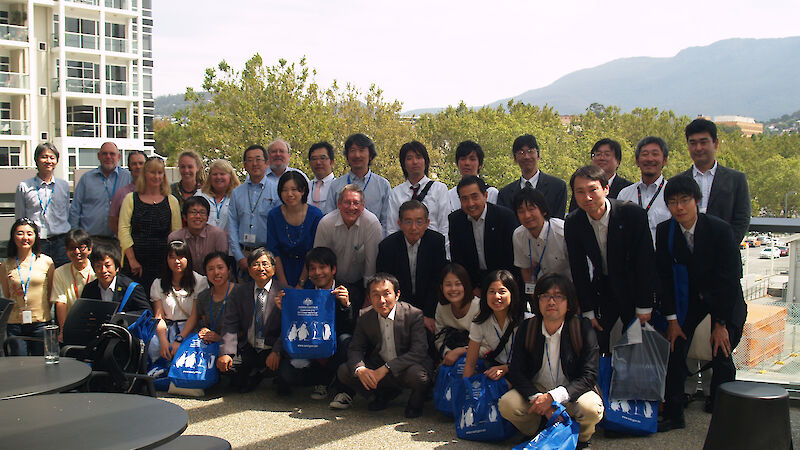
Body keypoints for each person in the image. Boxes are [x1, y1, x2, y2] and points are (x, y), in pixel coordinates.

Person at [656, 176, 747, 432]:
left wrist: (720, 323)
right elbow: (664, 278)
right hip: (688, 300)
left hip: (724, 299)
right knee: (674, 346)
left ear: (697, 201)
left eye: (685, 200)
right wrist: (672, 320)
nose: (679, 207)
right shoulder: (666, 231)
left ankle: (723, 409)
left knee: (722, 348)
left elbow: (729, 279)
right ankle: (674, 414)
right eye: (672, 202)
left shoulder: (719, 229)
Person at [500, 274, 603, 449]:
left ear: (569, 303)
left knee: (591, 408)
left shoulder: (582, 328)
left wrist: (553, 397)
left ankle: (581, 438)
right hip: (537, 392)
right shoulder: (527, 327)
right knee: (507, 404)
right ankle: (535, 432)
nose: (551, 302)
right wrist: (539, 399)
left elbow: (589, 375)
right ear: (537, 301)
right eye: (545, 296)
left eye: (559, 296)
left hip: (571, 392)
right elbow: (516, 371)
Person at [564, 165, 656, 354]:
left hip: (634, 286)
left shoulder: (632, 214)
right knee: (598, 342)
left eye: (592, 190)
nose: (587, 197)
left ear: (605, 189)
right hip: (603, 288)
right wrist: (588, 310)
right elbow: (578, 268)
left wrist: (644, 305)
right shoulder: (574, 222)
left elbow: (645, 262)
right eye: (580, 192)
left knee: (637, 346)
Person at [333, 273, 433, 418]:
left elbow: (419, 351)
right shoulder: (364, 316)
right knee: (344, 371)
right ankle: (379, 395)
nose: (382, 300)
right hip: (378, 366)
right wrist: (361, 369)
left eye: (387, 294)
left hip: (405, 367)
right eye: (376, 295)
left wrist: (387, 368)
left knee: (419, 376)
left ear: (397, 295)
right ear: (369, 297)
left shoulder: (413, 314)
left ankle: (415, 403)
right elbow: (356, 348)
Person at [275, 247, 358, 399]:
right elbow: (294, 329)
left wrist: (346, 306)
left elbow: (353, 329)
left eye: (322, 267)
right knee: (287, 375)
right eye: (312, 269)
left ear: (333, 269)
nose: (317, 272)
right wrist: (285, 310)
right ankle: (323, 380)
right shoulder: (303, 294)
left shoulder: (348, 290)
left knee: (346, 339)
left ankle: (342, 388)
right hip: (311, 351)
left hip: (336, 350)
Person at [217, 248, 287, 393]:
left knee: (286, 379)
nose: (261, 268)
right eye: (255, 264)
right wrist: (226, 352)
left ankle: (266, 374)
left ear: (274, 269)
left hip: (273, 348)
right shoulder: (239, 292)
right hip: (249, 347)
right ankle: (255, 374)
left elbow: (290, 327)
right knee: (228, 371)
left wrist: (277, 351)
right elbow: (230, 323)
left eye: (265, 264)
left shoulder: (285, 292)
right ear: (249, 270)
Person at [377, 200, 447, 333]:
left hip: (429, 306)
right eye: (408, 222)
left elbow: (437, 281)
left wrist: (427, 314)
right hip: (398, 307)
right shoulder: (387, 246)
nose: (413, 227)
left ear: (427, 223)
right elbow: (386, 284)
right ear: (400, 224)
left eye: (419, 222)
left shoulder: (436, 242)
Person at [680, 118, 751, 244]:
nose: (698, 148)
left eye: (703, 142)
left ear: (715, 143)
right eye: (693, 143)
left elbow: (742, 219)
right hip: (688, 257)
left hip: (725, 255)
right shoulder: (679, 181)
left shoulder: (736, 180)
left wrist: (727, 247)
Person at [118, 157, 182, 293]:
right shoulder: (130, 199)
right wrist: (132, 260)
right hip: (135, 265)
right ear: (145, 174)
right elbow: (123, 230)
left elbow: (176, 234)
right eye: (152, 172)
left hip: (162, 265)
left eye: (160, 173)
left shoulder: (172, 201)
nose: (156, 176)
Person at [449, 176, 517, 296]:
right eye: (464, 199)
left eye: (475, 197)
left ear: (485, 196)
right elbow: (458, 259)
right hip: (472, 284)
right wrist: (472, 287)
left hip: (504, 282)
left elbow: (511, 258)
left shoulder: (505, 217)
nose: (470, 203)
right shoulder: (455, 220)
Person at [314, 184, 382, 293]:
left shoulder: (372, 223)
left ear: (363, 205)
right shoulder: (326, 223)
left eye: (356, 203)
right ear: (339, 204)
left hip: (360, 282)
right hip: (331, 282)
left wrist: (369, 296)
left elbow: (372, 264)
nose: (351, 207)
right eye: (347, 202)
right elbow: (318, 260)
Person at [0, 219, 54, 355]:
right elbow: (7, 294)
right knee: (20, 366)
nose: (25, 238)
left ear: (36, 237)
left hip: (41, 322)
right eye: (20, 233)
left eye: (29, 234)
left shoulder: (46, 262)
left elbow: (51, 294)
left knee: (41, 365)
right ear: (13, 236)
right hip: (15, 323)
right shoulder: (6, 265)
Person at [462, 269, 529, 380]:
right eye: (492, 291)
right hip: (495, 372)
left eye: (502, 291)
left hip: (522, 373)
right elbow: (470, 364)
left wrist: (507, 368)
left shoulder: (527, 321)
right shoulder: (479, 322)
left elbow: (531, 361)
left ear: (512, 293)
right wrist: (465, 388)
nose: (497, 296)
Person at [149, 241, 208, 362]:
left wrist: (180, 339)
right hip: (166, 328)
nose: (177, 261)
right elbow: (159, 316)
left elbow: (195, 315)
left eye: (181, 257)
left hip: (189, 329)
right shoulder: (158, 284)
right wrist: (163, 340)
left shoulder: (199, 281)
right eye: (172, 257)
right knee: (154, 346)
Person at [385, 142, 450, 251]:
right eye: (409, 158)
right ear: (403, 164)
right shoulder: (396, 192)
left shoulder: (440, 189)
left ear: (425, 161)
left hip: (433, 249)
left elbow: (445, 226)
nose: (415, 162)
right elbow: (392, 228)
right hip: (404, 250)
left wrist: (445, 255)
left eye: (419, 157)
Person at [15, 143, 71, 267]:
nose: (48, 161)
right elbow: (20, 219)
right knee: (38, 278)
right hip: (36, 242)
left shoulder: (63, 186)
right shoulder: (24, 187)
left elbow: (67, 213)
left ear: (56, 161)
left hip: (61, 241)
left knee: (60, 279)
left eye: (52, 157)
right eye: (44, 157)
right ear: (36, 160)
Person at [227, 145, 280, 275]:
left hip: (267, 254)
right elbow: (232, 226)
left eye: (258, 159)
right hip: (243, 254)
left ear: (267, 163)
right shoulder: (236, 193)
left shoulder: (277, 190)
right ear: (245, 165)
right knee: (243, 294)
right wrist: (239, 257)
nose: (254, 164)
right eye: (250, 160)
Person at [324, 133, 391, 233]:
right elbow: (328, 218)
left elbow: (387, 221)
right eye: (352, 150)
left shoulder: (383, 185)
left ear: (370, 155)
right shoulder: (336, 185)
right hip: (341, 241)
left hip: (373, 241)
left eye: (361, 150)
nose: (357, 155)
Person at [266, 171, 323, 287]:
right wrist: (283, 284)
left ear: (302, 191)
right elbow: (274, 251)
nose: (289, 194)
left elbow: (314, 252)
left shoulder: (315, 215)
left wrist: (301, 283)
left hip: (309, 271)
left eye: (294, 189)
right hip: (281, 269)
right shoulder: (273, 215)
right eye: (285, 190)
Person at [69, 142, 132, 237]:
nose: (108, 157)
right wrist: (75, 236)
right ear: (98, 156)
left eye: (112, 154)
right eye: (104, 154)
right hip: (90, 239)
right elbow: (75, 209)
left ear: (119, 157)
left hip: (119, 240)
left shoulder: (128, 178)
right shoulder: (86, 179)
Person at [498, 134, 568, 220]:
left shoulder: (558, 187)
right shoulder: (505, 194)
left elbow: (558, 221)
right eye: (521, 153)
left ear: (538, 155)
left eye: (530, 151)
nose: (526, 157)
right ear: (515, 158)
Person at [512, 188, 571, 289]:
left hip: (571, 286)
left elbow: (580, 268)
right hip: (545, 288)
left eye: (531, 209)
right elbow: (526, 270)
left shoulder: (562, 232)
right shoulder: (518, 235)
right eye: (521, 211)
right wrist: (534, 298)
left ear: (543, 210)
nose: (527, 216)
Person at [617, 136, 671, 243]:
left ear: (665, 160)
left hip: (662, 257)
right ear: (637, 161)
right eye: (645, 154)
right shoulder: (625, 194)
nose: (650, 159)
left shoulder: (672, 193)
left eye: (655, 154)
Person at [81, 242, 150, 313]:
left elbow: (146, 312)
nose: (103, 270)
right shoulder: (89, 289)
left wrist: (124, 317)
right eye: (98, 266)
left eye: (107, 266)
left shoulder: (131, 288)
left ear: (116, 267)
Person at [434, 263, 481, 365]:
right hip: (449, 359)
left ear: (466, 285)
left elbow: (486, 345)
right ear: (442, 288)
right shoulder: (442, 306)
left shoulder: (478, 307)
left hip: (477, 359)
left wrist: (460, 352)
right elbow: (438, 340)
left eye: (458, 284)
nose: (453, 289)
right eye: (448, 285)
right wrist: (448, 353)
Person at [52, 229, 96, 338]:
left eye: (81, 247)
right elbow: (61, 303)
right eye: (72, 248)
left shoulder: (98, 271)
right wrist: (63, 330)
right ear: (66, 251)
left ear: (89, 249)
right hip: (70, 325)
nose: (77, 252)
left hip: (95, 326)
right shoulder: (59, 272)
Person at [168, 197, 228, 275]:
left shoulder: (218, 235)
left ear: (207, 217)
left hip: (213, 280)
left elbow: (222, 265)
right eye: (193, 212)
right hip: (185, 281)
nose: (198, 216)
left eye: (202, 212)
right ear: (185, 217)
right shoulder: (175, 237)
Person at [568, 138, 632, 212]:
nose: (601, 158)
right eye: (598, 154)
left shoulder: (628, 189)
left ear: (617, 161)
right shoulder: (581, 186)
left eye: (607, 154)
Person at [195, 251, 235, 345]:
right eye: (211, 269)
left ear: (229, 270)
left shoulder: (241, 293)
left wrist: (220, 338)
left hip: (237, 348)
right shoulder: (203, 297)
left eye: (220, 268)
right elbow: (205, 324)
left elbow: (246, 330)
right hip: (211, 348)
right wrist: (204, 331)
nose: (216, 272)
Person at [447, 140, 499, 212]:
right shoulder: (449, 195)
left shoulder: (491, 193)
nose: (467, 163)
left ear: (480, 165)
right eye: (463, 159)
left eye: (472, 159)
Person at [196, 159, 241, 230]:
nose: (218, 177)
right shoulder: (200, 195)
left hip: (229, 240)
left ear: (230, 177)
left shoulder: (239, 197)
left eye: (222, 174)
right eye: (215, 174)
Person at [109, 150, 147, 235]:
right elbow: (113, 222)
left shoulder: (156, 192)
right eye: (134, 164)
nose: (138, 166)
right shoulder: (120, 194)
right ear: (129, 167)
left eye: (141, 163)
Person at [307, 141, 336, 211]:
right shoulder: (306, 187)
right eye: (314, 159)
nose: (318, 162)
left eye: (322, 158)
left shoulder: (339, 187)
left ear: (332, 162)